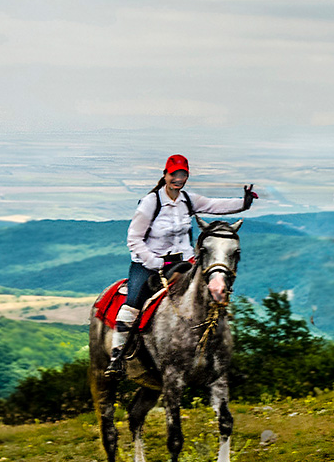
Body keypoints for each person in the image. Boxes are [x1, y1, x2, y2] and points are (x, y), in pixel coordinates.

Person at [105, 154, 257, 376]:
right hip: (149, 263)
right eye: (174, 174)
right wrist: (153, 261)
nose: (178, 179)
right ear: (165, 175)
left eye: (182, 175)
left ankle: (217, 354)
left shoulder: (188, 199)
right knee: (133, 303)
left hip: (183, 262)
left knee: (211, 294)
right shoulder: (151, 202)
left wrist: (244, 203)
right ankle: (116, 357)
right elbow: (134, 239)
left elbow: (216, 205)